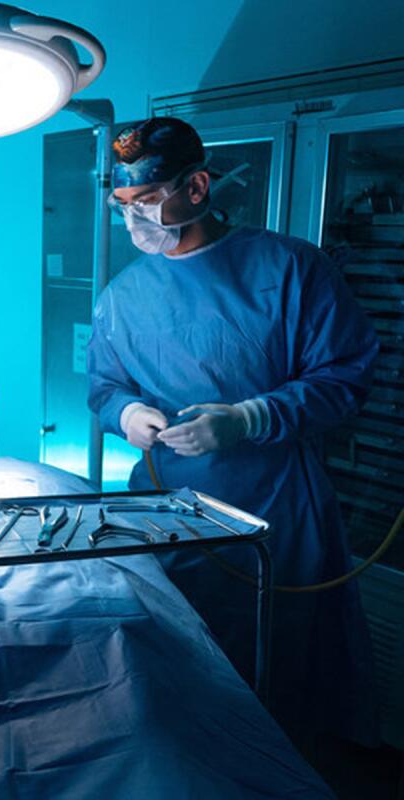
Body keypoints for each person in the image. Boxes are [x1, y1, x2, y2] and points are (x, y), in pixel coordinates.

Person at [87, 116, 379, 746]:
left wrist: (252, 417)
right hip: (164, 510)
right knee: (177, 668)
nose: (134, 220)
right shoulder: (121, 295)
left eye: (147, 202)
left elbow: (346, 376)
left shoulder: (290, 269)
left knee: (276, 670)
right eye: (123, 206)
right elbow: (104, 388)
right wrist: (126, 415)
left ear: (196, 187)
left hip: (275, 509)